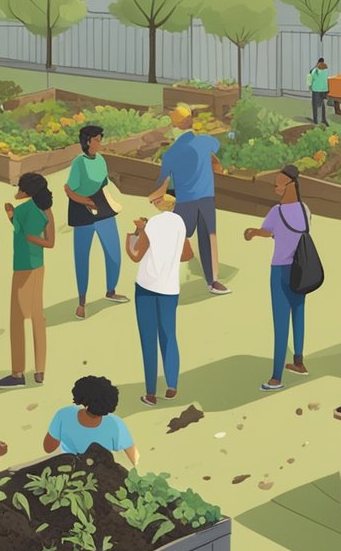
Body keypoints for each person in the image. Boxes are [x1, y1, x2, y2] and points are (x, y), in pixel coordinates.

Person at [150, 106, 230, 295]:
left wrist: (156, 196)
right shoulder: (205, 141)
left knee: (175, 239)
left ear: (175, 125)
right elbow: (216, 156)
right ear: (191, 122)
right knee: (209, 238)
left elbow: (163, 180)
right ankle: (213, 282)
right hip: (206, 198)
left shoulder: (170, 153)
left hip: (185, 200)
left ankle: (162, 278)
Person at [245, 165, 311, 392]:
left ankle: (276, 377)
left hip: (281, 269)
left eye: (278, 183)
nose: (275, 187)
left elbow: (268, 231)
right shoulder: (305, 209)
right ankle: (300, 363)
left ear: (289, 185)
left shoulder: (276, 211)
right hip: (301, 268)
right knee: (298, 314)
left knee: (281, 323)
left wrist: (254, 232)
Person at [125, 194, 193, 404]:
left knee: (148, 340)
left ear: (157, 205)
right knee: (169, 335)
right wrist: (167, 256)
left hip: (147, 286)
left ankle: (151, 392)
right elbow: (187, 254)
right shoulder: (179, 222)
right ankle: (172, 385)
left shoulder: (152, 224)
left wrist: (134, 233)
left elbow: (135, 254)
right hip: (170, 287)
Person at [0, 173, 56, 389]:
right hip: (38, 266)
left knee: (17, 319)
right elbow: (51, 243)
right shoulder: (46, 210)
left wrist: (10, 214)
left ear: (27, 192)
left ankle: (17, 372)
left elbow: (18, 228)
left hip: (22, 267)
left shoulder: (22, 210)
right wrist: (36, 239)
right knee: (38, 317)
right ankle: (40, 370)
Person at [65, 125, 129, 320]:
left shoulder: (101, 160)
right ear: (87, 141)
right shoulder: (79, 163)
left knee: (114, 253)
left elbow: (103, 185)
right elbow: (68, 189)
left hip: (101, 206)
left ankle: (111, 290)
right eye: (97, 139)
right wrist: (86, 202)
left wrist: (106, 202)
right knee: (82, 257)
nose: (100, 143)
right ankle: (82, 302)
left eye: (101, 139)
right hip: (81, 209)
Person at [43, 376, 139, 466]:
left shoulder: (64, 414)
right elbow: (134, 458)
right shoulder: (116, 424)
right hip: (102, 472)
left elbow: (48, 448)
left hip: (69, 467)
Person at [308, 57, 330, 126]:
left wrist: (310, 86)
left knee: (315, 106)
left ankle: (316, 121)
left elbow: (310, 76)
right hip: (324, 90)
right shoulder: (326, 71)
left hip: (316, 90)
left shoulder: (315, 71)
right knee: (322, 105)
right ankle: (323, 120)